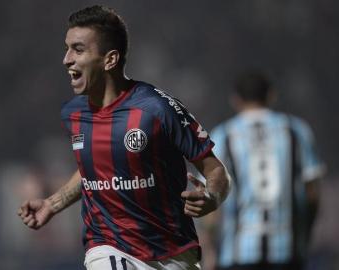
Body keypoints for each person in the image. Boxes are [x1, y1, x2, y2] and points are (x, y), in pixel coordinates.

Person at [17, 5, 231, 270]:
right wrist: (53, 203)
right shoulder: (73, 113)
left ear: (110, 60)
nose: (67, 59)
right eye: (67, 48)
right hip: (108, 246)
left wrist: (212, 196)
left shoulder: (157, 109)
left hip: (174, 253)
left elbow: (216, 170)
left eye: (79, 49)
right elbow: (93, 170)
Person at [207, 71, 325, 270]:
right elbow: (312, 194)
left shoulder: (223, 136)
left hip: (238, 253)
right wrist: (305, 234)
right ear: (271, 95)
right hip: (287, 251)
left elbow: (211, 201)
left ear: (235, 100)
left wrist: (210, 247)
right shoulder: (296, 131)